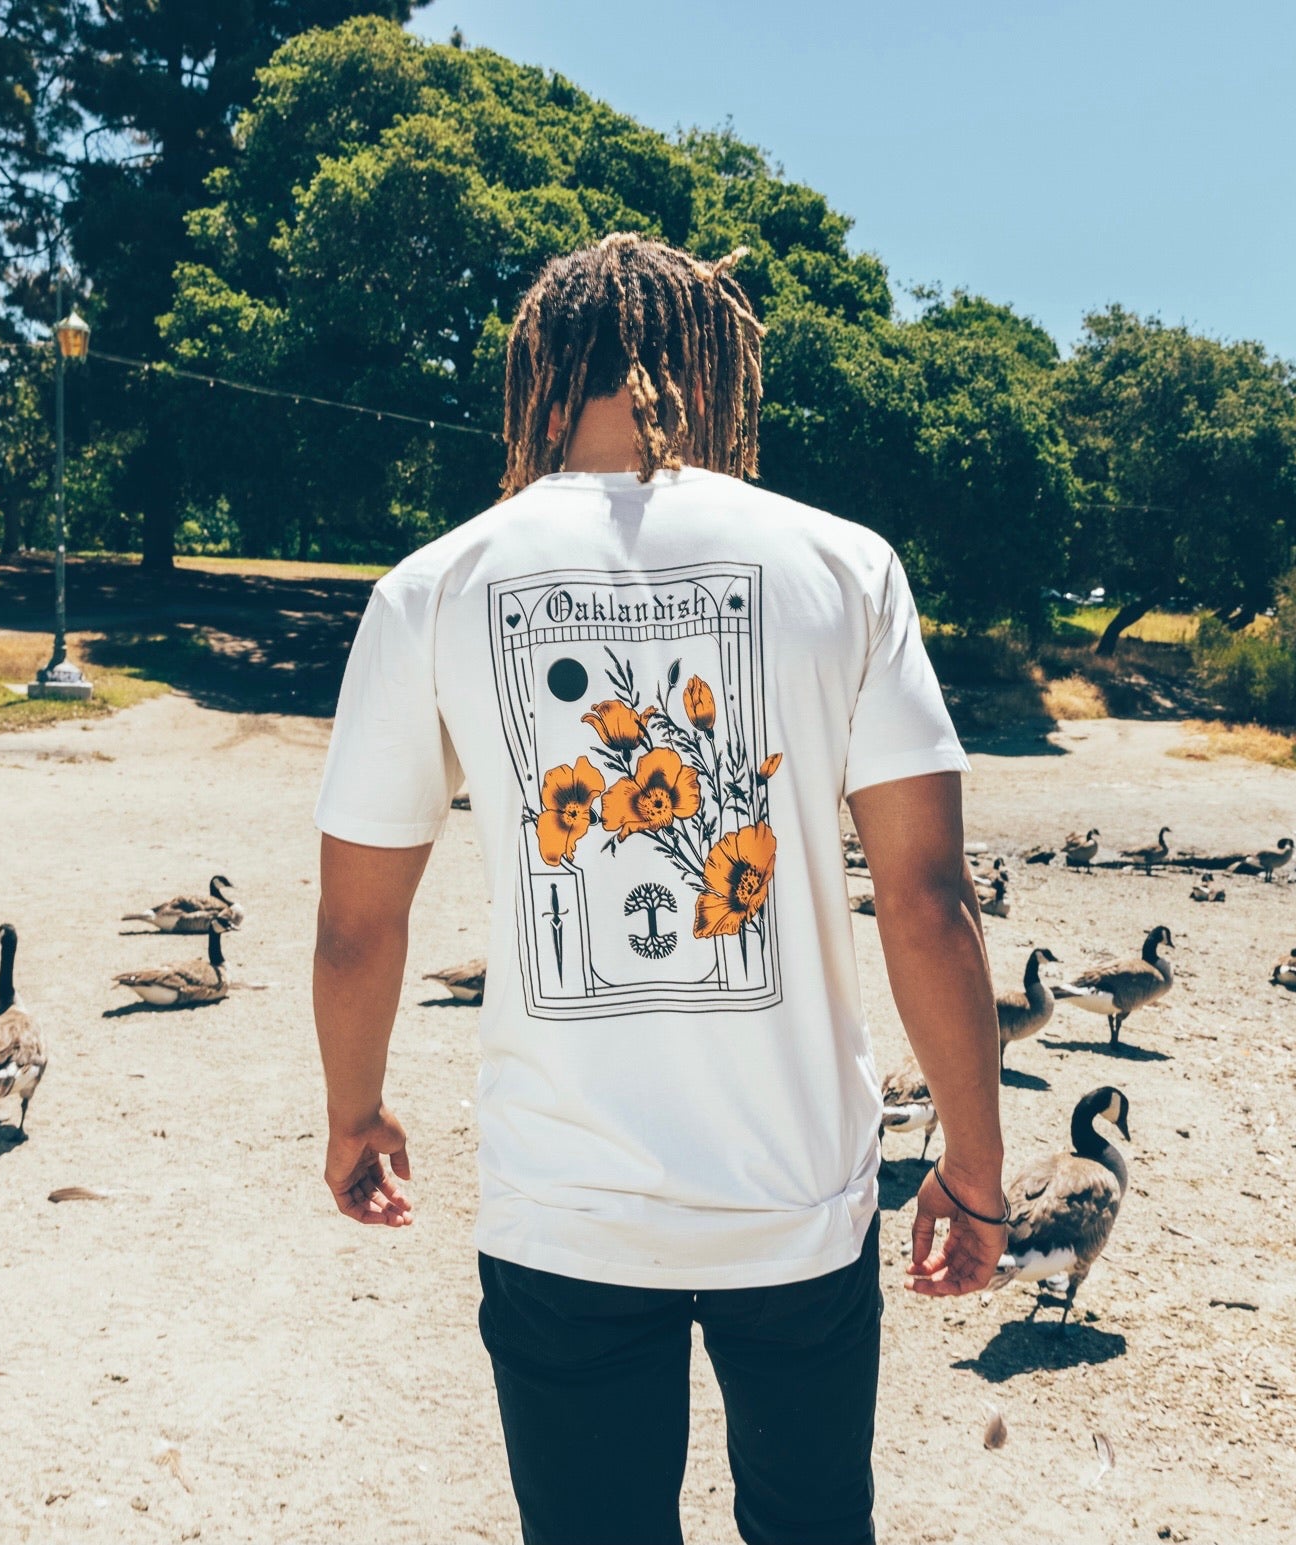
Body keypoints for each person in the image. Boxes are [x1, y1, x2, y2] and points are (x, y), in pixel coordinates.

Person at [312, 232, 1007, 1545]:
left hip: (563, 1208)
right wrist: (971, 1165)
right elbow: (924, 897)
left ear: (541, 374)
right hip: (797, 1203)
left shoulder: (433, 589)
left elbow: (358, 924)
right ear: (713, 367)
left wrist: (354, 1111)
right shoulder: (842, 566)